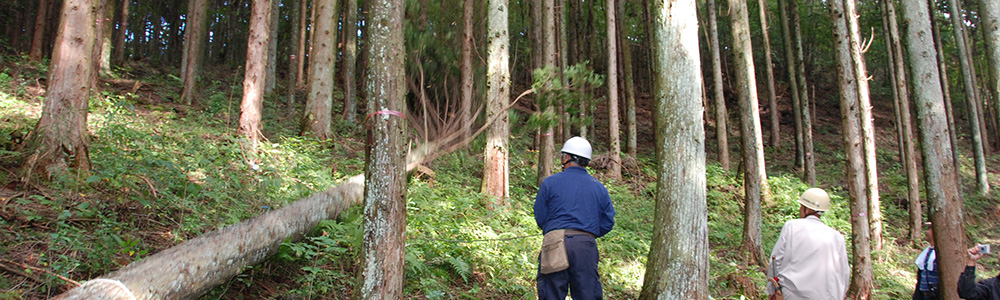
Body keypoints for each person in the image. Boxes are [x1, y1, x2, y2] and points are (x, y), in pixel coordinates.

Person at [534, 137, 616, 300]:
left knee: (551, 293)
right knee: (587, 294)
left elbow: (540, 215)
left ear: (566, 158)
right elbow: (608, 221)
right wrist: (586, 232)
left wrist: (554, 229)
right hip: (585, 245)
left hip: (554, 242)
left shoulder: (550, 182)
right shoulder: (599, 187)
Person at [765, 188, 850, 300]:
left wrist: (772, 290)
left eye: (801, 207)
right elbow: (844, 272)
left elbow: (776, 261)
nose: (800, 210)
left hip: (792, 294)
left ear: (807, 209)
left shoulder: (791, 226)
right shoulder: (837, 237)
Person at [913, 224, 940, 299]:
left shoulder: (941, 254)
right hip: (925, 294)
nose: (926, 232)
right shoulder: (928, 251)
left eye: (929, 229)